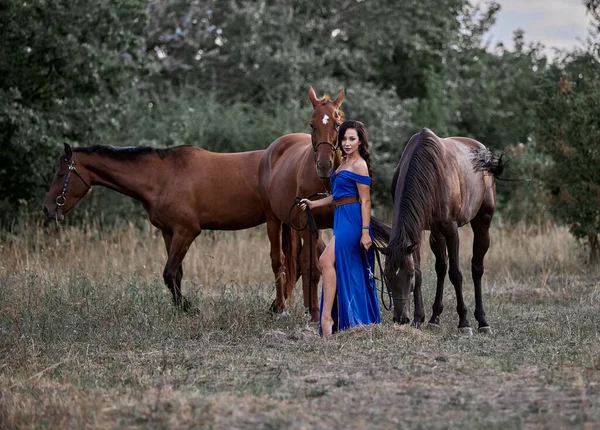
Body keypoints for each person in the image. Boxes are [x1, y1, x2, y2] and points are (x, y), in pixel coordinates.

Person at [300, 120, 381, 336]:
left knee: (325, 260)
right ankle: (344, 319)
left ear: (360, 141)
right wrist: (313, 204)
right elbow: (337, 196)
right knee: (341, 266)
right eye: (344, 139)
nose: (346, 143)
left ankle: (327, 318)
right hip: (341, 217)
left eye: (352, 139)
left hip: (354, 220)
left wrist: (365, 231)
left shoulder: (359, 164)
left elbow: (365, 201)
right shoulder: (343, 162)